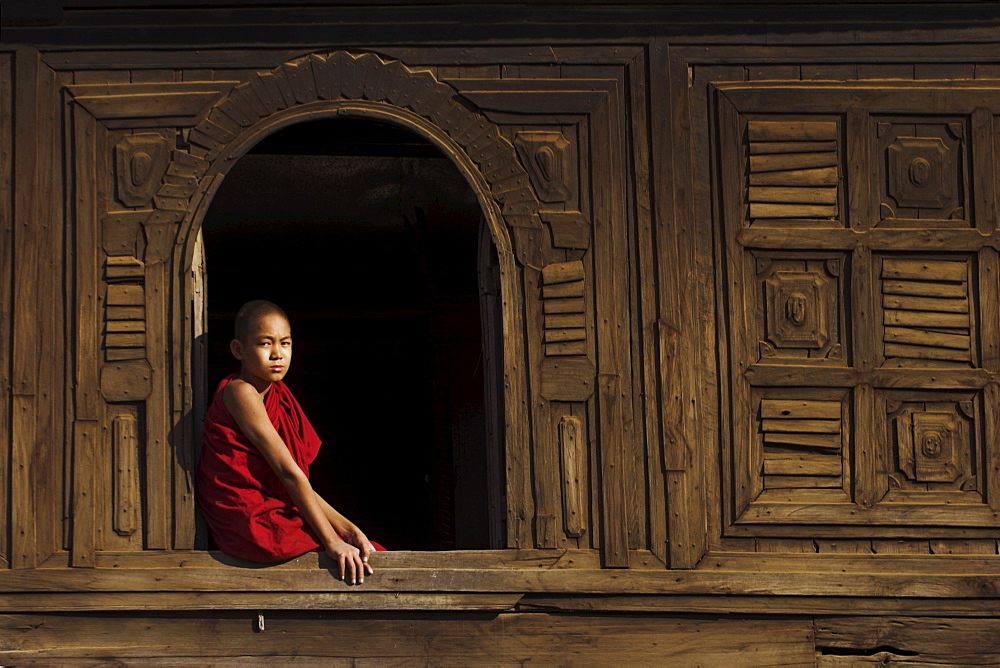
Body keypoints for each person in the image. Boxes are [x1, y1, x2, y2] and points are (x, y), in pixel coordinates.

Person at [197, 299, 383, 584]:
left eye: (285, 344)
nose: (277, 354)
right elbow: (288, 473)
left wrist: (347, 529)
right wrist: (332, 541)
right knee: (354, 561)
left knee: (370, 551)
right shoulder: (240, 392)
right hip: (249, 519)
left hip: (278, 504)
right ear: (238, 350)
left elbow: (295, 481)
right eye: (264, 344)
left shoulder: (276, 393)